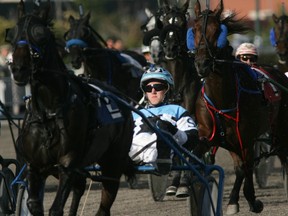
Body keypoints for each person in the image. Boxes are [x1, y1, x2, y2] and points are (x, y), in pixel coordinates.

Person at [129, 65, 199, 198]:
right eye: (148, 88)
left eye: (158, 87)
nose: (153, 91)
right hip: (132, 151)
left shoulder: (177, 110)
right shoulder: (135, 113)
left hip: (164, 149)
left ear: (168, 89)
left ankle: (162, 151)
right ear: (144, 92)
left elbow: (192, 139)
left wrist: (170, 129)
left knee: (162, 127)